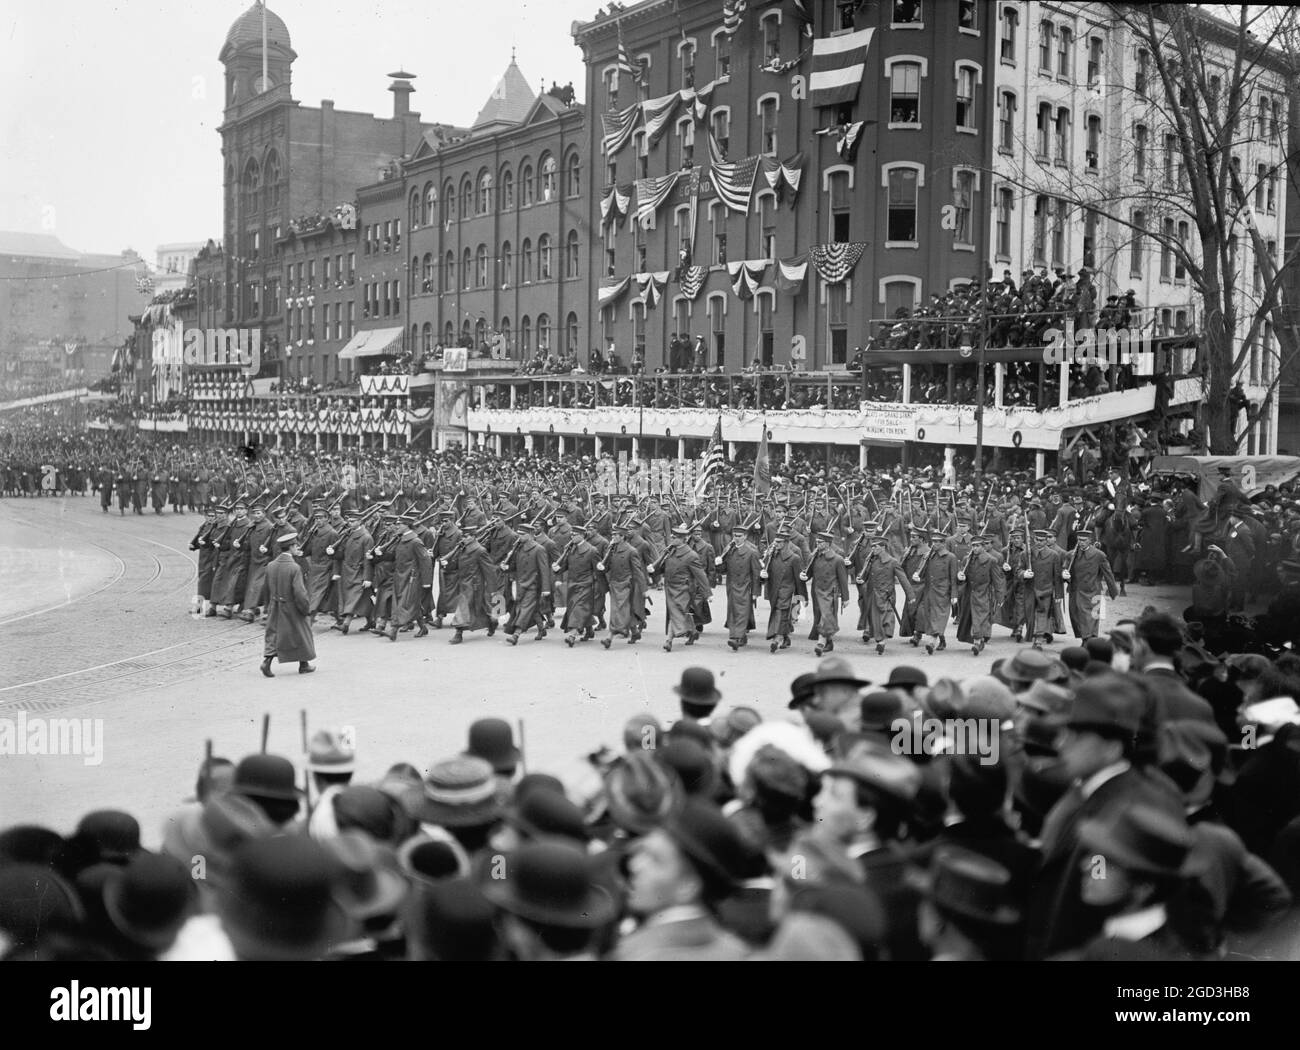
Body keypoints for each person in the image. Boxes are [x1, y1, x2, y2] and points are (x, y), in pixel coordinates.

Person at [260, 530, 316, 677]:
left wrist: (268, 607)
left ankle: (267, 662)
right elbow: (299, 592)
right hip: (292, 607)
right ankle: (304, 665)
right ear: (290, 547)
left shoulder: (271, 565)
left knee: (274, 634)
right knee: (301, 633)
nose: (298, 548)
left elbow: (265, 588)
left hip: (275, 606)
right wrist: (305, 608)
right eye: (296, 546)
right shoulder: (294, 567)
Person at [651, 523, 712, 652]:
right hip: (670, 587)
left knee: (675, 613)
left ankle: (669, 640)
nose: (672, 539)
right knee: (678, 613)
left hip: (684, 589)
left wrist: (708, 593)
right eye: (672, 537)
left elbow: (700, 575)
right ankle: (693, 631)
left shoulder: (691, 555)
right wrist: (655, 569)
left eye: (675, 537)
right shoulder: (670, 551)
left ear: (683, 539)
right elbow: (663, 568)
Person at [501, 521, 553, 645]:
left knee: (524, 609)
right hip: (520, 584)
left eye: (522, 534)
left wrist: (546, 588)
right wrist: (506, 567)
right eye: (519, 534)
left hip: (533, 585)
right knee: (532, 609)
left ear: (530, 534)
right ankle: (541, 629)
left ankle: (516, 634)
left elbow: (544, 570)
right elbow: (514, 566)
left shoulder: (539, 549)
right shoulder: (518, 548)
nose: (520, 536)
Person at [598, 518, 647, 648]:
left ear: (622, 537)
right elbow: (608, 566)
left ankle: (609, 637)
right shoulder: (612, 549)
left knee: (617, 611)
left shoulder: (631, 551)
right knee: (624, 610)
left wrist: (643, 590)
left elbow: (638, 572)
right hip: (614, 584)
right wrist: (602, 567)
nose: (613, 537)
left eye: (615, 535)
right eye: (613, 535)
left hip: (626, 584)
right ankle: (635, 632)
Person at [955, 533, 1005, 657]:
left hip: (983, 594)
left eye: (977, 546)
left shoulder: (991, 560)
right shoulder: (967, 559)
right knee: (969, 618)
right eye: (973, 546)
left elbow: (998, 580)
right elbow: (962, 578)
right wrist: (960, 577)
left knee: (979, 619)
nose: (975, 548)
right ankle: (979, 640)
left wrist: (1000, 597)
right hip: (968, 594)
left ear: (983, 546)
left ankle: (977, 642)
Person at [1063, 530, 1118, 641]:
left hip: (1092, 591)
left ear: (1090, 540)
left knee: (1091, 616)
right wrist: (1065, 574)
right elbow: (1065, 568)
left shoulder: (1099, 555)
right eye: (1079, 540)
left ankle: (1088, 640)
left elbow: (1108, 574)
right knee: (1075, 615)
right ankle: (1086, 638)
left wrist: (1113, 591)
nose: (1081, 542)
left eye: (1084, 540)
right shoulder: (1071, 554)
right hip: (1075, 590)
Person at [803, 531, 850, 656]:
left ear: (828, 544)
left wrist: (846, 598)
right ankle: (828, 642)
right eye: (817, 542)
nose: (817, 544)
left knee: (826, 615)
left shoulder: (837, 559)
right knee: (820, 615)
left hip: (830, 592)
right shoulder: (813, 557)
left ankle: (821, 642)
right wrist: (803, 576)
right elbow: (808, 574)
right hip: (816, 591)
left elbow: (843, 580)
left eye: (820, 542)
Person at [716, 522, 762, 651]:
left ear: (745, 536)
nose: (736, 538)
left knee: (741, 611)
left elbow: (756, 573)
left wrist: (755, 591)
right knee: (733, 611)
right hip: (731, 585)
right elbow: (724, 570)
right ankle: (740, 636)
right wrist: (719, 564)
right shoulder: (729, 550)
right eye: (735, 535)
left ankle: (736, 638)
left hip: (745, 585)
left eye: (740, 535)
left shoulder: (752, 552)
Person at [763, 527, 807, 653]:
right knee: (779, 613)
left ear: (786, 543)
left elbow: (799, 580)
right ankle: (786, 637)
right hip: (773, 590)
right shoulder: (771, 556)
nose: (775, 544)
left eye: (779, 542)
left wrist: (802, 597)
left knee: (781, 612)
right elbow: (764, 572)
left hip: (787, 590)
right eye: (775, 541)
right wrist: (763, 575)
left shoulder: (794, 558)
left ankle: (777, 638)